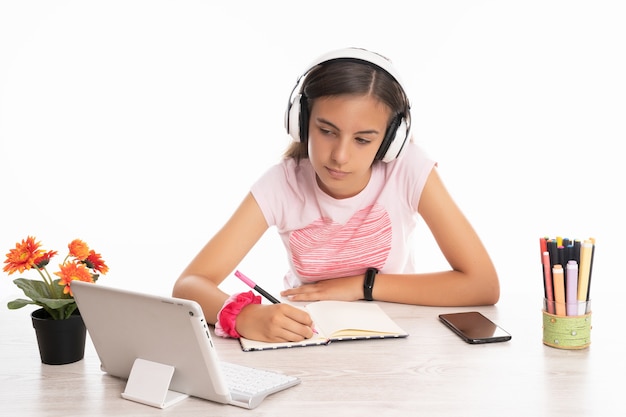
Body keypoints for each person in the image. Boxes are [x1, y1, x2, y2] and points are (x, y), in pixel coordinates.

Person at [173, 47, 499, 343]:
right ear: (301, 122)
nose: (340, 156)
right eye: (327, 131)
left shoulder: (409, 169)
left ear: (390, 141)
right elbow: (189, 284)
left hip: (394, 340)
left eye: (363, 140)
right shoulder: (280, 184)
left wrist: (362, 286)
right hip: (308, 337)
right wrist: (241, 314)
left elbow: (482, 285)